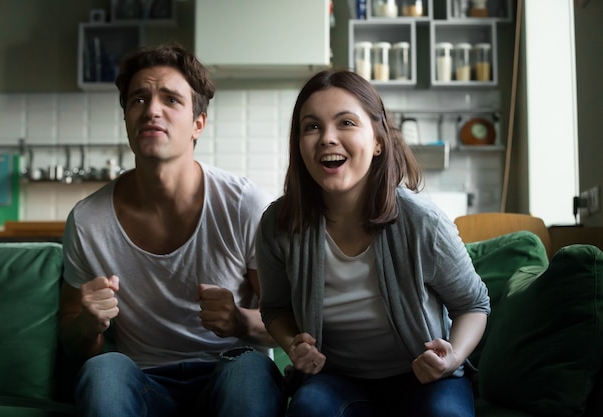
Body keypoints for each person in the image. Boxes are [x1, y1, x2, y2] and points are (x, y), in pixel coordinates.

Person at [59, 42, 284, 417]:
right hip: (143, 381)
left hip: (227, 371)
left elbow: (287, 323)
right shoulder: (87, 220)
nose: (152, 110)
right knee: (102, 370)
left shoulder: (243, 204)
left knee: (249, 368)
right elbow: (72, 340)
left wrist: (238, 320)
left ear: (199, 123)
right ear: (127, 120)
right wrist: (88, 323)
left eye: (171, 100)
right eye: (139, 100)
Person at [256, 69, 490, 417]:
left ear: (378, 141)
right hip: (336, 378)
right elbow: (275, 309)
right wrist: (292, 344)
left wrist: (452, 357)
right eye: (312, 126)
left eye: (346, 123)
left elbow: (473, 305)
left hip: (424, 377)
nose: (327, 138)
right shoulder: (279, 224)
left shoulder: (422, 222)